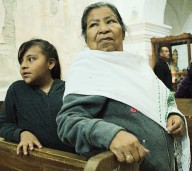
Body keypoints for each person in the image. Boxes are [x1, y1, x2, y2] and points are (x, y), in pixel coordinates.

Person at [56, 2, 190, 171]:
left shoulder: (139, 67)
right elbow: (68, 123)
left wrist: (172, 114)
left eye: (110, 21)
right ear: (86, 38)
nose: (103, 29)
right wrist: (112, 135)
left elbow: (165, 100)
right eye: (94, 25)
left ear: (123, 32)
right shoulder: (88, 69)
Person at [0, 39, 74, 155]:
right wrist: (21, 133)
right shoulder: (16, 90)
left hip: (72, 160)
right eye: (21, 61)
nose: (23, 66)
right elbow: (4, 126)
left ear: (50, 64)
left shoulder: (69, 89)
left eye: (31, 59)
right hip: (34, 161)